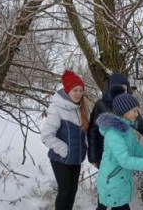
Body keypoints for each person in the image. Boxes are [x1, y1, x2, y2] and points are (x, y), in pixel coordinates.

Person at [95, 85, 143, 210]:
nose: (137, 114)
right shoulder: (114, 133)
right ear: (123, 111)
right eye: (134, 111)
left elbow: (135, 150)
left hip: (118, 179)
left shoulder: (126, 129)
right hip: (113, 181)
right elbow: (125, 160)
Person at [41, 70, 89, 210]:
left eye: (81, 90)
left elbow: (85, 133)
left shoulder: (82, 108)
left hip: (76, 158)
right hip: (60, 158)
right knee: (65, 190)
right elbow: (46, 136)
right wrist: (64, 150)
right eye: (75, 90)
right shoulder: (57, 108)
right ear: (68, 90)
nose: (78, 93)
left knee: (73, 190)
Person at [87, 73, 143, 168]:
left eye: (125, 89)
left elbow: (139, 124)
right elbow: (92, 132)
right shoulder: (101, 105)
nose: (123, 92)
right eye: (119, 89)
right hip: (104, 151)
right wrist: (94, 157)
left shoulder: (129, 105)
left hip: (124, 150)